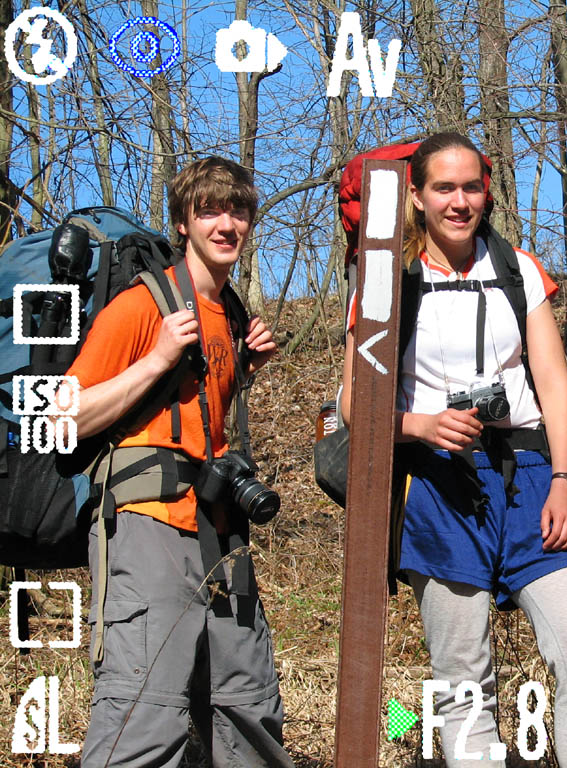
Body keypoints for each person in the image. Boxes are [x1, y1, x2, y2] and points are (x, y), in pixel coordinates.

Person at [341, 133, 567, 768]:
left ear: (486, 192)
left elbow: (553, 384)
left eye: (471, 187)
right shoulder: (385, 281)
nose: (459, 202)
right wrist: (422, 426)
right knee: (463, 672)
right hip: (438, 484)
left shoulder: (517, 267)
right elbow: (356, 407)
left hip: (530, 477)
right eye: (444, 188)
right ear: (416, 196)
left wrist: (565, 480)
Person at [68, 157, 293, 767]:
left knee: (247, 704)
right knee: (147, 705)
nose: (227, 223)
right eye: (210, 210)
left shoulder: (230, 312)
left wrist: (242, 368)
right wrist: (158, 355)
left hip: (219, 531)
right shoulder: (144, 305)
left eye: (239, 210)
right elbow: (65, 417)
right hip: (147, 522)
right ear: (183, 222)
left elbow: (194, 420)